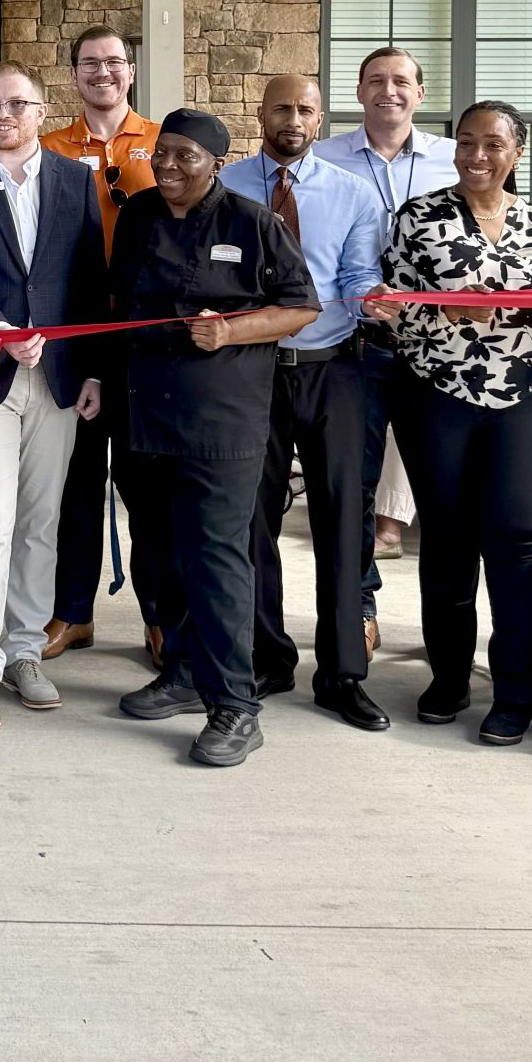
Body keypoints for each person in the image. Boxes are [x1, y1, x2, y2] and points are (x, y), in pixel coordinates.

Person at [367, 100, 532, 746]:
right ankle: (450, 677)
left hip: (530, 400)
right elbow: (391, 307)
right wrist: (446, 316)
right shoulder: (419, 218)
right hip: (439, 397)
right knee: (449, 541)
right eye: (465, 143)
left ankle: (516, 691)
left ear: (516, 152)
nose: (476, 156)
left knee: (519, 542)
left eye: (492, 145)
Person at [110, 110, 318, 767]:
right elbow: (119, 304)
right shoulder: (140, 215)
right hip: (146, 414)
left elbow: (302, 307)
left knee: (217, 559)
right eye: (161, 153)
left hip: (221, 421)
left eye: (185, 157)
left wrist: (231, 330)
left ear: (217, 164)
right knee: (161, 552)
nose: (168, 166)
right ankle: (181, 672)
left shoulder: (254, 223)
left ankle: (235, 707)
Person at [0, 63, 105, 728]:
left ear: (40, 110)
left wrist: (89, 369)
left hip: (59, 379)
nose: (4, 113)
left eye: (17, 103)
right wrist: (0, 331)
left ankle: (25, 650)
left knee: (39, 521)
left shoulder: (72, 179)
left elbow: (89, 280)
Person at [219, 75, 388, 731]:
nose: (294, 119)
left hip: (333, 370)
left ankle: (343, 672)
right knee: (250, 517)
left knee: (346, 519)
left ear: (321, 120)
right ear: (259, 113)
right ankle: (268, 655)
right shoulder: (226, 185)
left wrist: (373, 297)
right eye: (282, 107)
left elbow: (355, 278)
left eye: (306, 110)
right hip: (250, 371)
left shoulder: (351, 194)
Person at [314, 46, 460, 580]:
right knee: (353, 480)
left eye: (401, 80)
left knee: (446, 481)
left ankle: (447, 625)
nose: (388, 90)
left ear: (421, 93)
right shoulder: (324, 159)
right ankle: (361, 604)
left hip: (439, 344)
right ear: (358, 93)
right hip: (357, 341)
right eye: (376, 80)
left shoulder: (455, 159)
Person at [41, 26, 159, 660]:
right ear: (74, 73)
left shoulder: (165, 142)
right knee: (77, 482)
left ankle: (158, 615)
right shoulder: (48, 147)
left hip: (142, 335)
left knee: (145, 484)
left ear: (131, 72)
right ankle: (72, 612)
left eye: (114, 62)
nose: (103, 72)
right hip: (77, 331)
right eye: (90, 63)